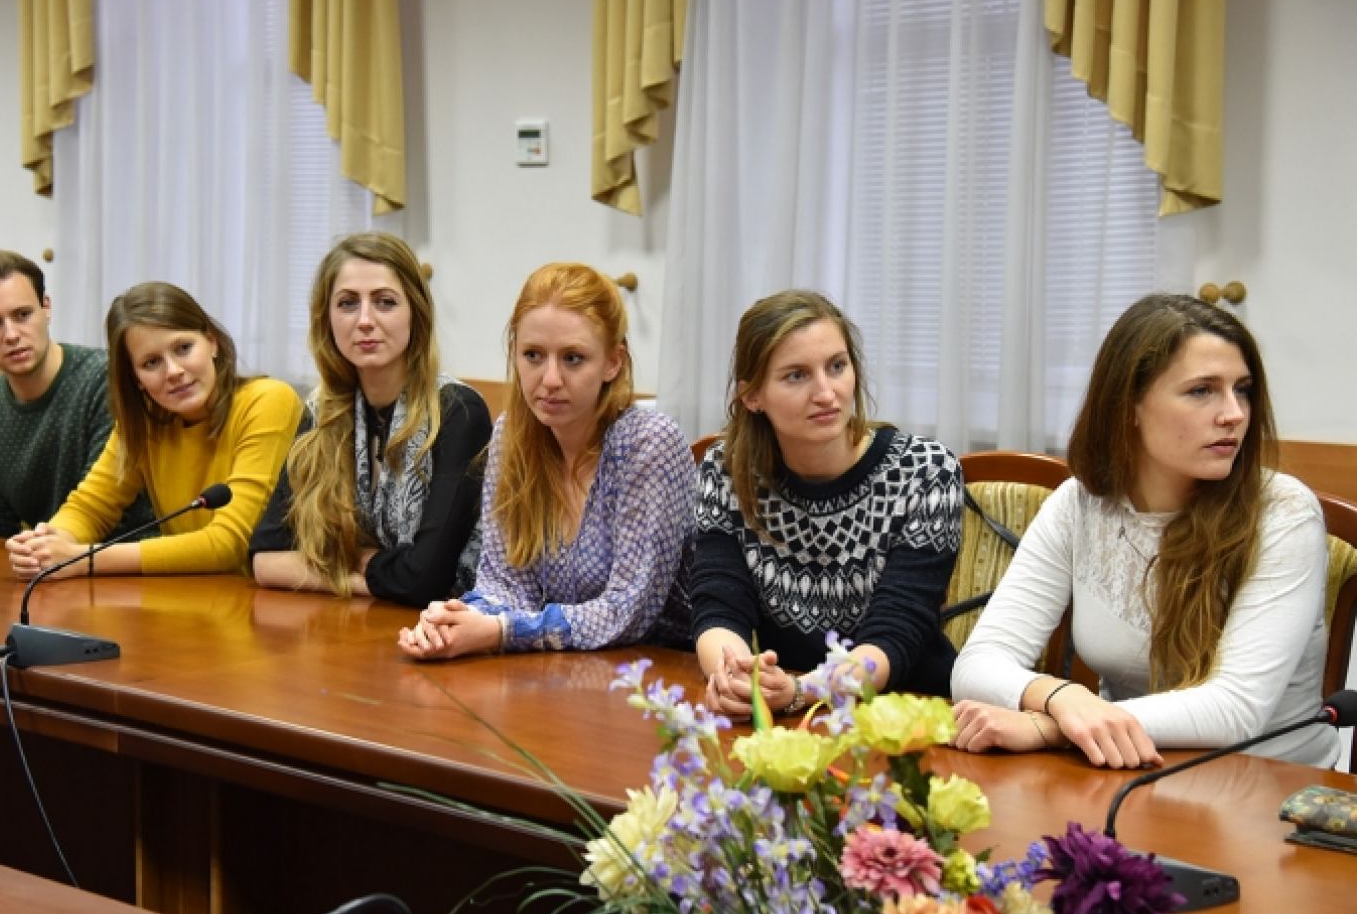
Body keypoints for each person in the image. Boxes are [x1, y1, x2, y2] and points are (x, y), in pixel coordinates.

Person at [952, 294, 1338, 769]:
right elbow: (977, 665)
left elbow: (1234, 710)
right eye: (1202, 390)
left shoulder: (1285, 513)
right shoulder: (1079, 504)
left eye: (1242, 389)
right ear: (1128, 405)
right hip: (1127, 771)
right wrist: (1059, 696)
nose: (1234, 413)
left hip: (1266, 783)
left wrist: (1052, 727)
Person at [398, 262, 694, 659]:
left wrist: (502, 631)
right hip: (556, 665)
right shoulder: (511, 435)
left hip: (660, 669)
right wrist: (454, 621)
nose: (550, 379)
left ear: (613, 362)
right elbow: (504, 583)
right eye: (533, 355)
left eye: (573, 358)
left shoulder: (648, 442)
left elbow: (628, 611)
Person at [692, 290, 963, 720]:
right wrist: (736, 678)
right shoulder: (725, 470)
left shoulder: (925, 472)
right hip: (788, 718)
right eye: (796, 375)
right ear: (752, 396)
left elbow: (896, 633)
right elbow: (719, 605)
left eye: (837, 366)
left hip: (909, 714)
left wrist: (802, 691)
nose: (826, 392)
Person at [250, 233, 491, 606]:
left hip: (450, 625)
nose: (365, 321)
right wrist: (365, 578)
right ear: (327, 319)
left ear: (416, 312)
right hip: (360, 619)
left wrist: (352, 560)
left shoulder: (457, 411)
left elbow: (425, 580)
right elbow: (266, 560)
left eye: (385, 302)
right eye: (347, 303)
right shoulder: (323, 411)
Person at [6, 282, 300, 578]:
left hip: (265, 596)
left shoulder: (267, 401)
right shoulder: (146, 419)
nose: (173, 371)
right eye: (151, 362)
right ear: (135, 378)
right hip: (189, 592)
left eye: (183, 348)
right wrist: (47, 544)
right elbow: (91, 507)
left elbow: (229, 544)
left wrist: (82, 559)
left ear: (212, 342)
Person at [0, 250, 153, 537]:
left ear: (46, 308)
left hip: (124, 553)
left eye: (23, 315)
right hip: (46, 556)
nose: (11, 335)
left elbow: (109, 511)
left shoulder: (106, 380)